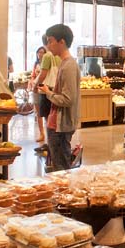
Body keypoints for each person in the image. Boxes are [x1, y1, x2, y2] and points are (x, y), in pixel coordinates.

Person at [38, 24, 80, 172]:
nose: (48, 45)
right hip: (57, 123)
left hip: (61, 126)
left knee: (61, 170)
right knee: (59, 167)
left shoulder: (69, 66)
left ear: (61, 42)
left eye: (50, 41)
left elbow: (68, 99)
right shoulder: (64, 63)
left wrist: (48, 93)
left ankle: (64, 194)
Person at [33, 35, 59, 151]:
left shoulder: (47, 56)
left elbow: (43, 75)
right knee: (54, 117)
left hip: (46, 90)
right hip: (57, 89)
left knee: (47, 117)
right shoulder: (59, 56)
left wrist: (35, 85)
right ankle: (54, 143)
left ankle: (50, 144)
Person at [29, 46, 48, 142]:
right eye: (39, 52)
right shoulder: (36, 63)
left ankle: (48, 132)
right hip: (35, 89)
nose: (40, 54)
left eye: (42, 52)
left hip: (43, 89)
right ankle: (41, 133)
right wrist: (32, 82)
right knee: (38, 113)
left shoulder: (47, 64)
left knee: (45, 112)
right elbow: (33, 75)